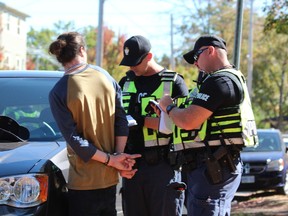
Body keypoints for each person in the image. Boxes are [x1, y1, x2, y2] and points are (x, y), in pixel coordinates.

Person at [159, 35, 258, 216]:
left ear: (210, 50)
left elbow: (189, 120)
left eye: (196, 57)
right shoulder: (223, 79)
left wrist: (168, 107)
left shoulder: (220, 81)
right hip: (213, 166)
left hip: (213, 167)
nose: (195, 64)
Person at [48, 32, 140, 216]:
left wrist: (111, 160)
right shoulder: (105, 76)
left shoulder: (58, 91)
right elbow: (121, 121)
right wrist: (117, 158)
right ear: (82, 50)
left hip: (82, 183)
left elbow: (75, 140)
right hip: (109, 180)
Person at [118, 35, 189, 216]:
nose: (131, 67)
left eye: (135, 62)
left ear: (149, 57)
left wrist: (140, 121)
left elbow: (183, 124)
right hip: (133, 165)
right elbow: (116, 122)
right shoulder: (124, 83)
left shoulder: (174, 82)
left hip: (164, 166)